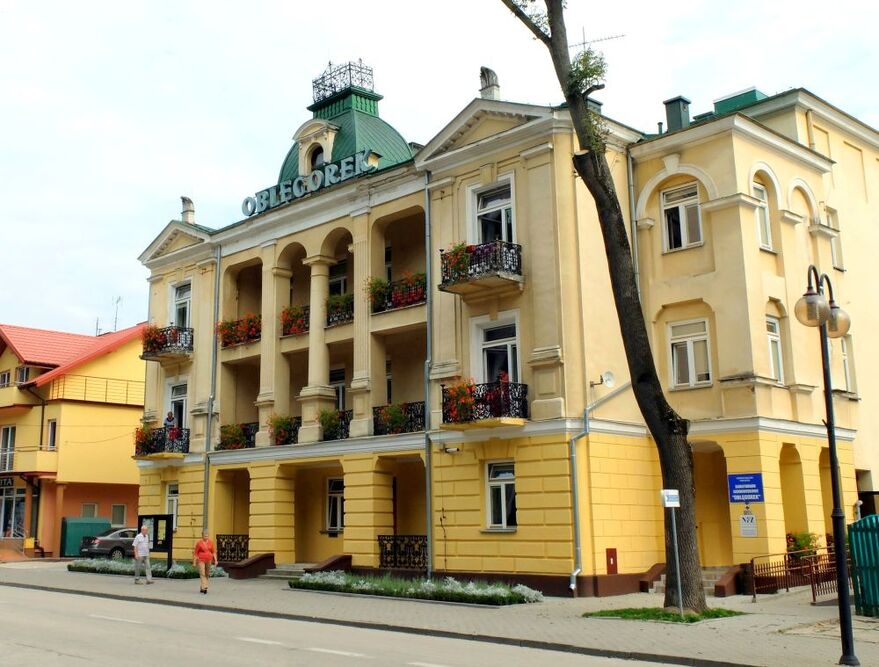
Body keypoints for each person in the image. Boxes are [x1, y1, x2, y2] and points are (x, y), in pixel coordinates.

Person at [192, 530, 218, 594]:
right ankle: (205, 586)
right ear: (202, 536)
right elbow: (195, 553)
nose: (206, 537)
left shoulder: (211, 543)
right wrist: (194, 562)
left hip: (209, 560)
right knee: (202, 573)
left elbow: (214, 552)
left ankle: (202, 587)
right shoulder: (199, 543)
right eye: (205, 536)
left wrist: (216, 560)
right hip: (201, 560)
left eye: (207, 536)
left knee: (206, 574)